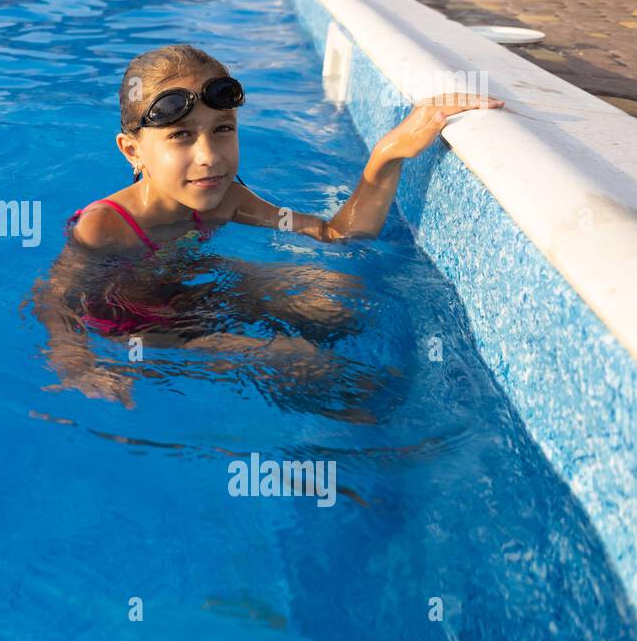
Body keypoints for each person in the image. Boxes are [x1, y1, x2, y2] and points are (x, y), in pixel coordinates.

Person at [30, 44, 501, 410]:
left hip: (196, 288)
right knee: (296, 360)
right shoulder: (107, 227)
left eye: (223, 129)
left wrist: (386, 155)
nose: (209, 156)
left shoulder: (226, 198)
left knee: (338, 294)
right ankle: (370, 436)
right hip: (140, 330)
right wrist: (75, 363)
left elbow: (335, 235)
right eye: (181, 136)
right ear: (132, 152)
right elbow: (53, 296)